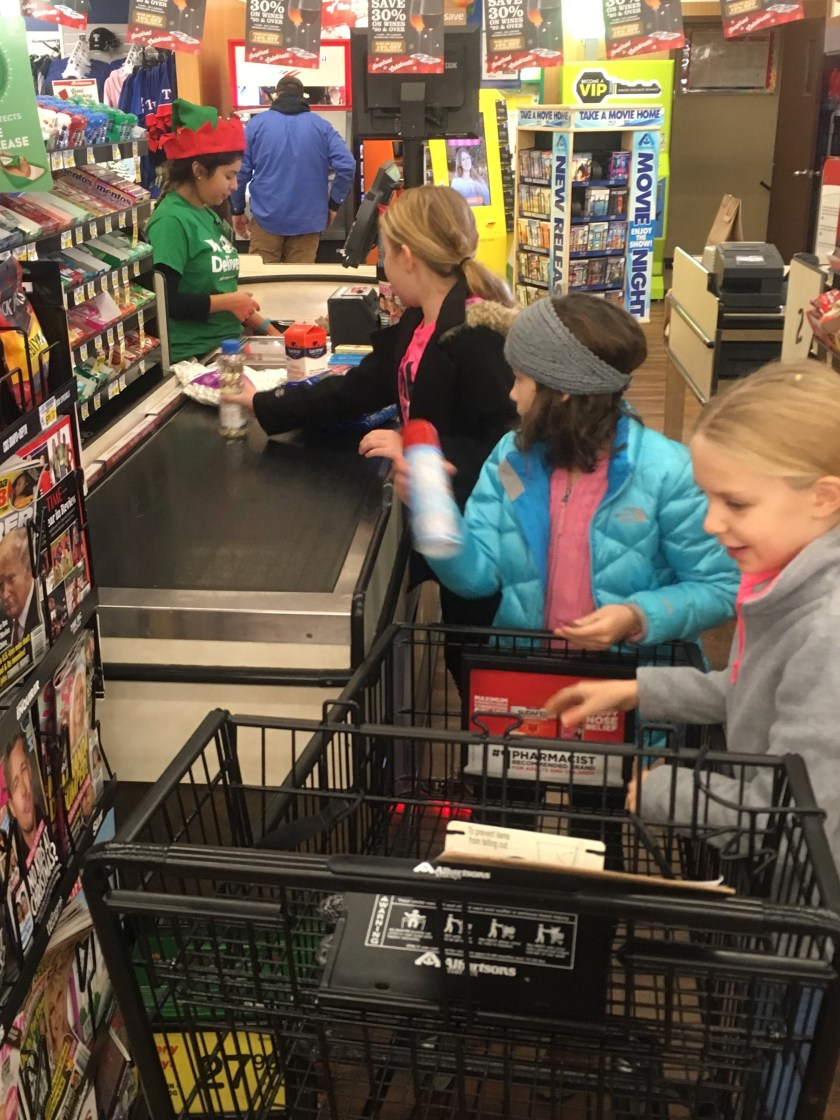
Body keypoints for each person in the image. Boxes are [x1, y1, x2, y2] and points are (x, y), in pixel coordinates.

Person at [546, 362, 840, 870]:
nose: (710, 522)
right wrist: (636, 691)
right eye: (707, 496)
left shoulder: (827, 633)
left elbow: (799, 822)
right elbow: (754, 692)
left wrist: (668, 792)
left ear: (824, 497)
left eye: (736, 503)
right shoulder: (785, 583)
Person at [230, 184, 518, 636]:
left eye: (384, 253)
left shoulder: (475, 333)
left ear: (408, 257)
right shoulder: (419, 320)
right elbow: (359, 389)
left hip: (483, 531)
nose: (382, 266)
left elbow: (508, 444)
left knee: (476, 644)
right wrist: (265, 403)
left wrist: (418, 450)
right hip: (446, 518)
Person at [421, 293, 739, 649]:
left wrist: (638, 616)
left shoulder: (670, 473)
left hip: (630, 677)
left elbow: (720, 587)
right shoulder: (510, 459)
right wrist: (433, 507)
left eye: (520, 379)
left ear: (561, 389)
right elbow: (476, 579)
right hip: (526, 669)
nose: (511, 394)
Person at [145, 98, 282, 364]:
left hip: (226, 349)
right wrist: (230, 302)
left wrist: (272, 332)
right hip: (193, 358)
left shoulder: (208, 215)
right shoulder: (171, 221)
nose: (234, 186)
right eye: (228, 176)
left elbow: (223, 293)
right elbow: (165, 301)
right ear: (198, 170)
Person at [230, 75, 356, 265]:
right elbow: (347, 165)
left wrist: (237, 209)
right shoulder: (321, 126)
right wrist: (333, 205)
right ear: (302, 96)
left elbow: (240, 172)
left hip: (266, 219)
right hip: (308, 222)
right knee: (299, 280)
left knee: (264, 279)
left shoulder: (256, 125)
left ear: (277, 95)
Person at [0, 528, 42, 651]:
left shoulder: (43, 608)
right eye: (0, 585)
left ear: (28, 571)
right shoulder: (4, 617)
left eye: (11, 579)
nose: (5, 595)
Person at [4, 734, 44, 862]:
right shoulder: (20, 862)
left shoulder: (49, 820)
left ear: (31, 772)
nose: (24, 790)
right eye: (16, 785)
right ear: (11, 807)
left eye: (24, 770)